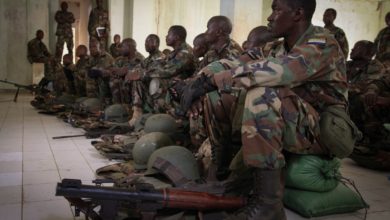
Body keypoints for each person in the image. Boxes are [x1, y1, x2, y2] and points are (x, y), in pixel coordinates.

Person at [182, 0, 347, 219]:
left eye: (277, 10)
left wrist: (216, 81)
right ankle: (222, 174)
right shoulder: (275, 47)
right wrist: (197, 83)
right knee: (216, 97)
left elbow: (283, 70)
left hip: (323, 129)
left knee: (262, 94)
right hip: (293, 121)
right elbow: (235, 62)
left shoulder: (322, 43)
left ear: (298, 13)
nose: (270, 17)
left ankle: (269, 204)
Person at [108, 38, 144, 104]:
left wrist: (124, 71)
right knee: (113, 80)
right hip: (123, 85)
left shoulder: (140, 59)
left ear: (129, 47)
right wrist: (119, 71)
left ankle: (133, 107)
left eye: (122, 46)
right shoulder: (121, 59)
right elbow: (112, 69)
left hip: (134, 88)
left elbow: (136, 73)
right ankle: (118, 105)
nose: (120, 49)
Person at [87, 39, 114, 103]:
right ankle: (92, 98)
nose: (92, 49)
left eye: (94, 47)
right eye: (90, 47)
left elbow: (105, 73)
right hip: (97, 83)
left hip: (107, 82)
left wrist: (95, 71)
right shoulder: (91, 58)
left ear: (100, 47)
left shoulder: (106, 57)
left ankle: (103, 101)